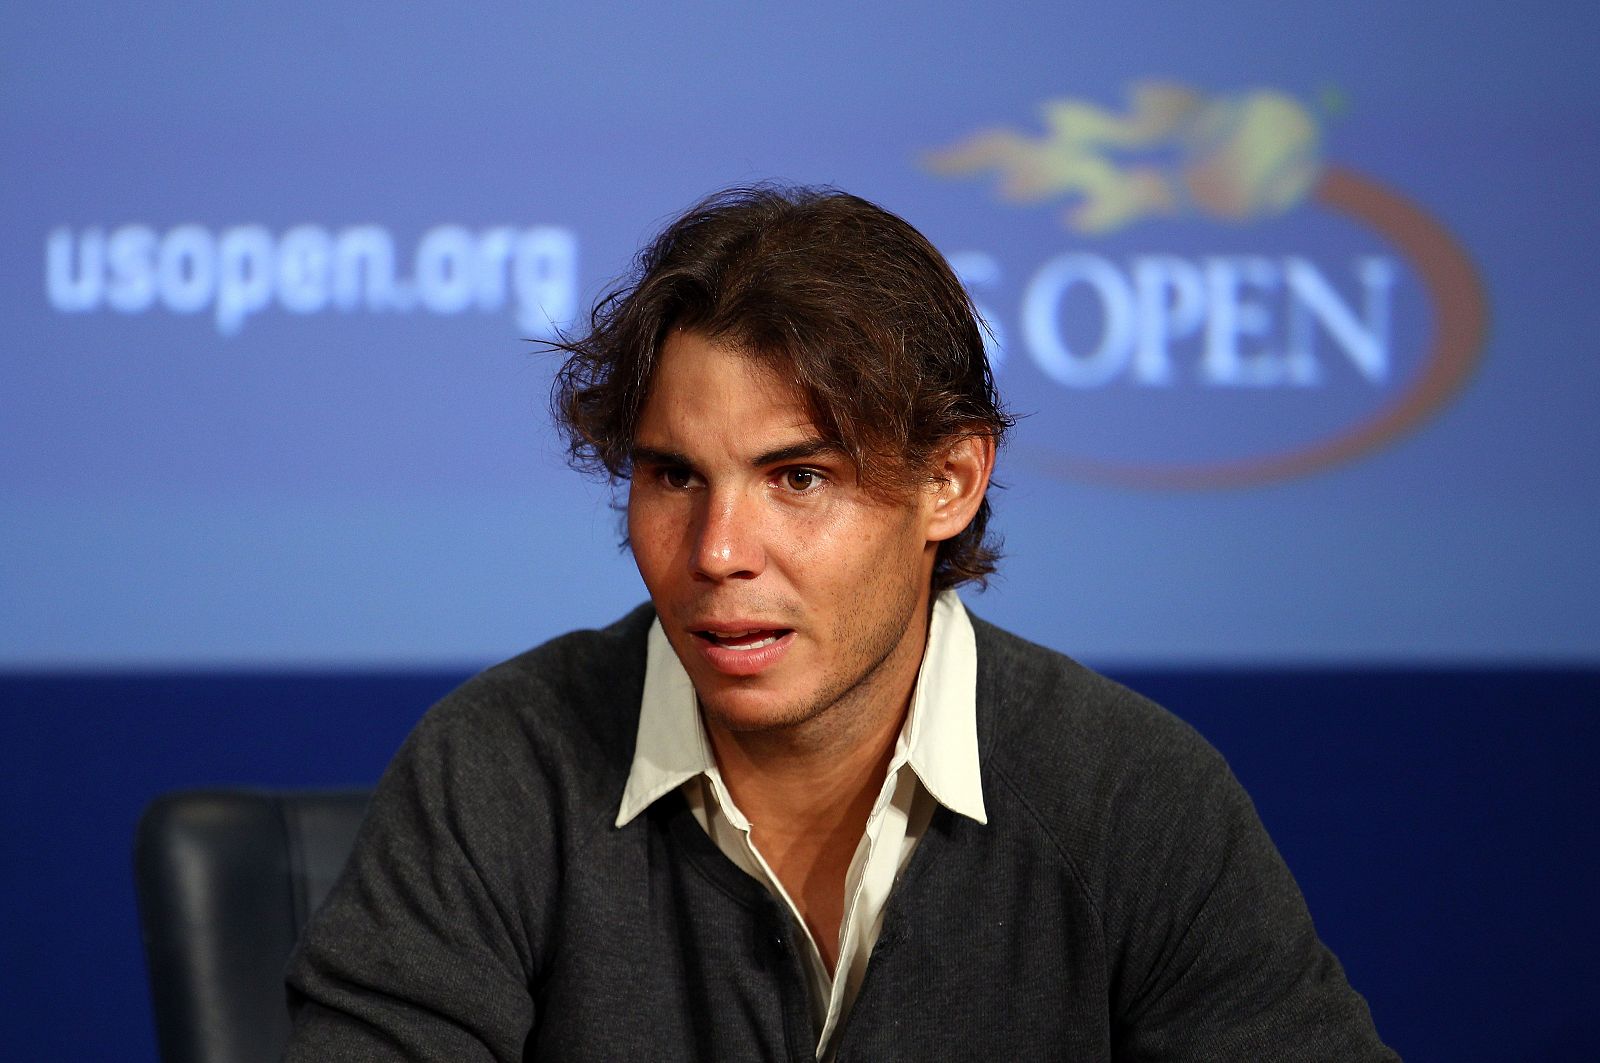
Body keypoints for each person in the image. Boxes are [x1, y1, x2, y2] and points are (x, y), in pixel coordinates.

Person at [285, 186, 1396, 1061]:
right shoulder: (496, 767)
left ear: (950, 482)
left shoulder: (1131, 798)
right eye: (673, 475)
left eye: (799, 478)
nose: (718, 550)